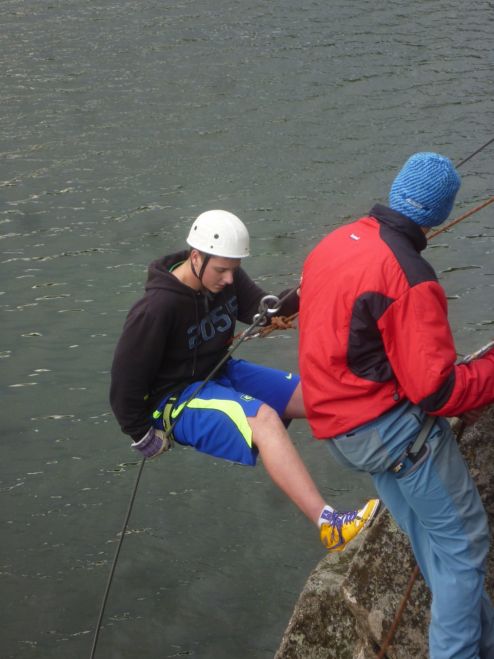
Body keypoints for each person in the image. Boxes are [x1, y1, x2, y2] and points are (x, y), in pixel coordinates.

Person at [298, 152, 494, 658]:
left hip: (344, 432)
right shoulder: (409, 275)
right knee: (464, 548)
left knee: (438, 550)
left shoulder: (334, 242)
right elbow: (439, 391)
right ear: (440, 212)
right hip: (396, 436)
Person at [110, 209, 380, 552]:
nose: (228, 280)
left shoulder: (227, 277)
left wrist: (310, 288)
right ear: (196, 257)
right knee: (265, 420)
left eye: (233, 270)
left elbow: (263, 310)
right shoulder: (156, 308)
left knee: (318, 395)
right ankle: (330, 525)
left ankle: (391, 461)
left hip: (219, 371)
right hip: (176, 400)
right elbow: (124, 383)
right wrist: (142, 434)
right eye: (221, 270)